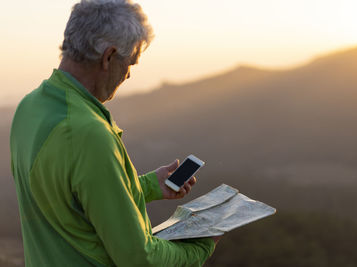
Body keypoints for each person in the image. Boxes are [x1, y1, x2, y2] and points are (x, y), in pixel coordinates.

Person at [9, 0, 220, 266]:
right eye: (130, 63)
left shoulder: (30, 108)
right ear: (108, 57)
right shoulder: (88, 134)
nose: (129, 75)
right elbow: (139, 259)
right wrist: (201, 246)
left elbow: (73, 204)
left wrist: (149, 185)